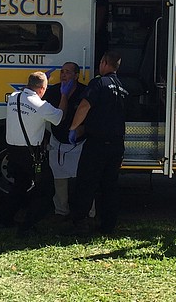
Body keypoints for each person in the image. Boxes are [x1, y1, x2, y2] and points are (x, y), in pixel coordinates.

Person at [0, 71, 68, 235]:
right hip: (31, 154)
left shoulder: (13, 98)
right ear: (43, 88)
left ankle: (5, 219)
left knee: (20, 185)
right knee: (46, 190)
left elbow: (25, 92)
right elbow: (60, 117)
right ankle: (27, 225)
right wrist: (64, 95)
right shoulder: (41, 106)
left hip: (12, 151)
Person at [68, 51, 128, 235]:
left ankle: (80, 224)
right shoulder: (123, 88)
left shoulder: (99, 83)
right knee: (109, 186)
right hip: (117, 145)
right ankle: (108, 225)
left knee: (86, 184)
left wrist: (73, 127)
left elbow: (85, 106)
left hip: (97, 144)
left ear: (103, 63)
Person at [44, 62, 88, 218]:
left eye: (68, 72)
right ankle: (61, 211)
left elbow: (92, 116)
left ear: (76, 76)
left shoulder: (85, 91)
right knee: (59, 178)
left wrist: (82, 129)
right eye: (62, 72)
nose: (63, 75)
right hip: (58, 140)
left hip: (79, 142)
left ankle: (87, 213)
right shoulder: (55, 90)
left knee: (83, 179)